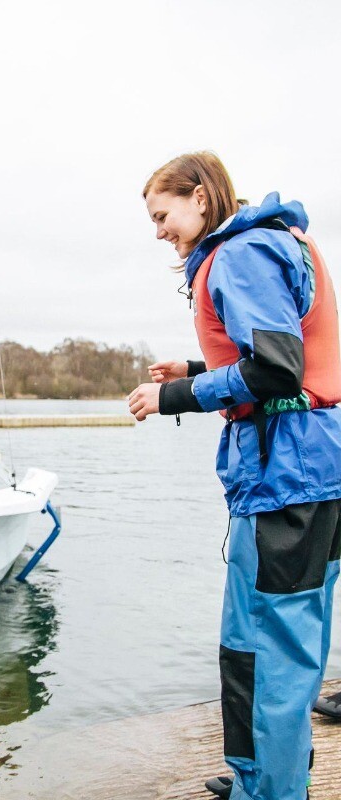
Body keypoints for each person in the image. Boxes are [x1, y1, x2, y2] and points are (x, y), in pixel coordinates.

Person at [128, 152, 341, 800]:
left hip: (295, 480)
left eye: (163, 215)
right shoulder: (250, 248)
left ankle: (277, 791)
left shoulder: (245, 251)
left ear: (199, 195)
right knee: (244, 642)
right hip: (277, 477)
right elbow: (275, 353)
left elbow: (277, 368)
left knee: (278, 654)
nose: (160, 230)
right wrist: (195, 369)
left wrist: (175, 397)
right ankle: (258, 777)